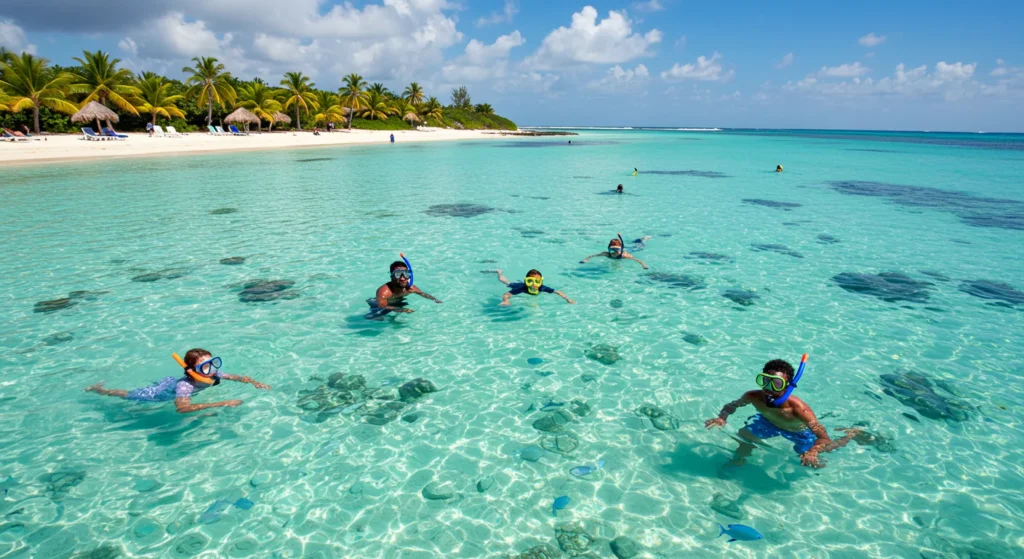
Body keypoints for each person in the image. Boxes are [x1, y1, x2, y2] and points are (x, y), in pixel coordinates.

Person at [705, 358, 858, 469]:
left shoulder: (798, 409)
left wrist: (813, 451)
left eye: (776, 383)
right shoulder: (752, 396)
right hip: (768, 423)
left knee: (813, 462)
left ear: (788, 386)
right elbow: (731, 406)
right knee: (745, 434)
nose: (768, 387)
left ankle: (851, 434)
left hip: (799, 431)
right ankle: (739, 460)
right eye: (765, 380)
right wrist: (721, 418)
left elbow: (824, 438)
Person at [84, 349, 271, 413]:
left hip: (172, 383)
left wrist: (254, 382)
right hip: (158, 396)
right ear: (193, 370)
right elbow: (182, 409)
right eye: (205, 367)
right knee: (129, 395)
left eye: (213, 363)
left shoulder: (213, 373)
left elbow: (237, 377)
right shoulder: (185, 386)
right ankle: (99, 389)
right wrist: (222, 403)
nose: (212, 369)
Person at [367, 259, 442, 316]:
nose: (403, 278)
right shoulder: (384, 291)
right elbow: (382, 305)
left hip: (397, 301)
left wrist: (435, 299)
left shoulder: (411, 288)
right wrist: (402, 310)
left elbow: (423, 294)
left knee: (403, 304)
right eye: (398, 274)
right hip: (377, 304)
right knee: (377, 316)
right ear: (392, 276)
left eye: (406, 274)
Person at [493, 269, 575, 306]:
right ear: (527, 281)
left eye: (537, 281)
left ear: (540, 281)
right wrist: (506, 300)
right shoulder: (522, 288)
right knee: (507, 282)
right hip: (518, 284)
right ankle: (499, 272)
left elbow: (557, 291)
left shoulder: (541, 287)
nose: (533, 284)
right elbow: (506, 294)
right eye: (530, 281)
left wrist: (567, 299)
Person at [580, 235, 650, 269]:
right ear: (608, 250)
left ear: (620, 250)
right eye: (612, 250)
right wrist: (585, 260)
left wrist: (643, 265)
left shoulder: (625, 255)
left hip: (631, 250)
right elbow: (592, 256)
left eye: (617, 250)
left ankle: (644, 239)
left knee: (640, 246)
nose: (614, 252)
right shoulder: (606, 254)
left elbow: (637, 260)